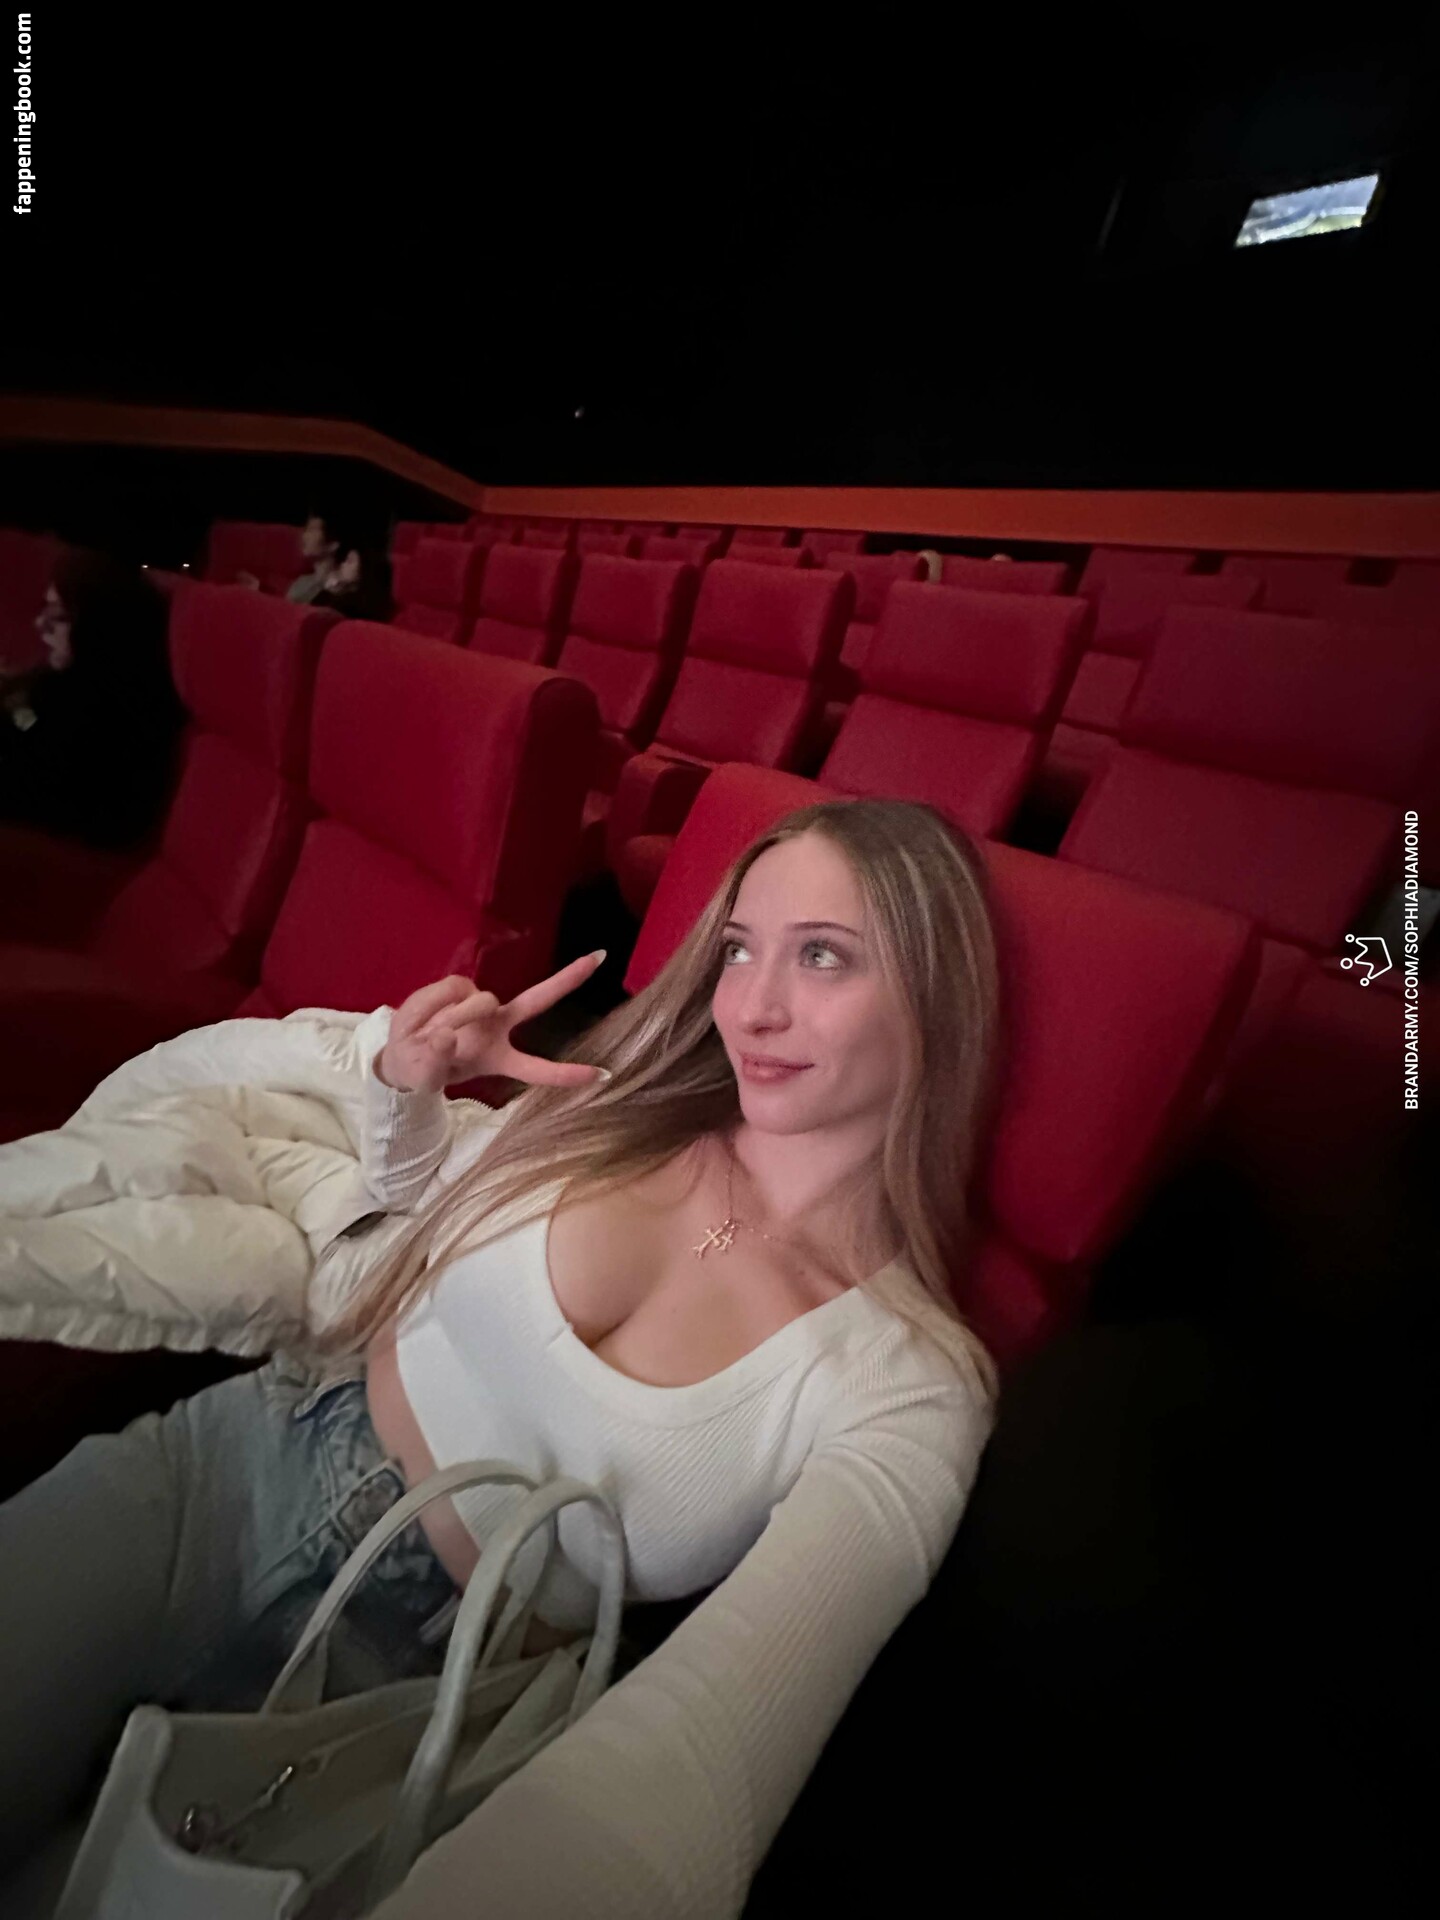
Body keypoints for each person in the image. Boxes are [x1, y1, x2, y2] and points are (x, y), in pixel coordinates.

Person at [0, 797, 1003, 1913]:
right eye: (737, 950)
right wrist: (410, 1097)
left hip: (423, 1691)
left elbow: (698, 1757)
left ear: (935, 987)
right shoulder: (621, 1102)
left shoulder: (910, 1383)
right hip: (245, 1457)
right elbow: (411, 1226)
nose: (752, 1007)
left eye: (821, 956)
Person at [0, 546, 183, 849]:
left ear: (95, 626)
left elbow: (36, 751)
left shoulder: (108, 708)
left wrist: (15, 705)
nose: (39, 624)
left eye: (58, 616)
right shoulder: (85, 681)